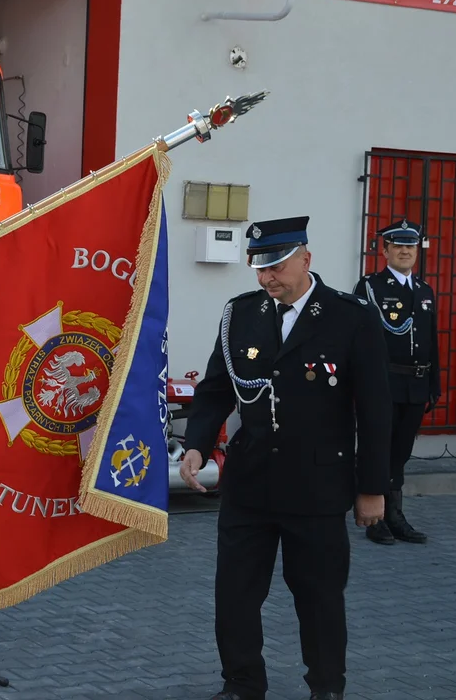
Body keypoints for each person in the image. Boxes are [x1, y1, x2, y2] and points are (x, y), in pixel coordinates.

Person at [179, 216, 392, 700]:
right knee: (234, 595)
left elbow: (376, 413)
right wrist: (195, 443)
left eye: (275, 266)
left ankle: (326, 688)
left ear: (305, 259)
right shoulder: (241, 313)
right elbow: (215, 390)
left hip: (317, 486)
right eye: (259, 268)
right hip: (250, 483)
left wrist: (373, 488)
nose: (267, 278)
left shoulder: (350, 317)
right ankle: (241, 685)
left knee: (318, 599)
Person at [352, 220, 438, 545]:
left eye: (411, 245)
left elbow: (432, 342)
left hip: (415, 384)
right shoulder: (371, 287)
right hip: (383, 382)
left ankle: (395, 515)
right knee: (377, 448)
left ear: (417, 250)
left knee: (400, 453)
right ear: (385, 250)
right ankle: (375, 518)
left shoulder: (425, 291)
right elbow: (357, 339)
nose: (405, 251)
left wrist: (435, 384)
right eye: (398, 245)